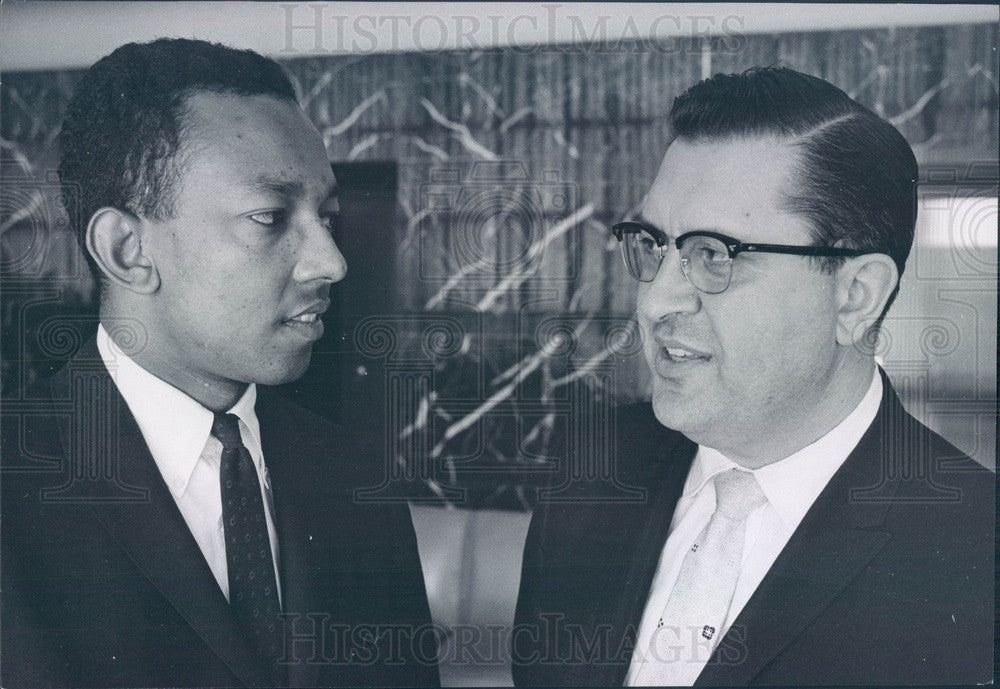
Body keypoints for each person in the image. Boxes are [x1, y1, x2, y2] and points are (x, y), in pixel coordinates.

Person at [512, 67, 993, 686]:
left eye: (714, 255)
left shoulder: (976, 554)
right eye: (654, 244)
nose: (657, 302)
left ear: (854, 297)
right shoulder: (593, 464)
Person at [1, 38, 439, 688]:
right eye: (269, 217)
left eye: (327, 216)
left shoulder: (356, 477)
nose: (331, 262)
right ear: (127, 250)